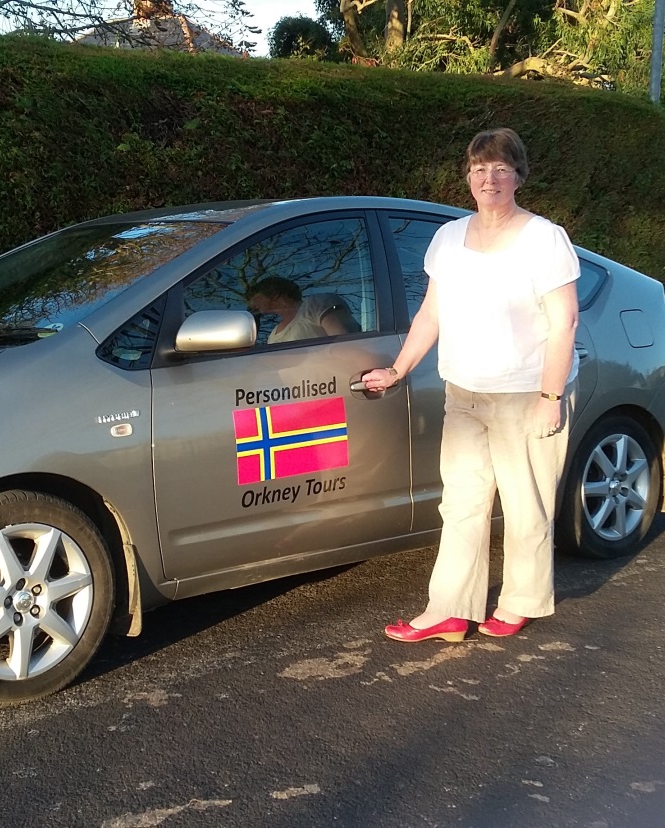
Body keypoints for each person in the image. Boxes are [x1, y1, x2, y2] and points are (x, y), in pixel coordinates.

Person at [363, 127, 580, 643]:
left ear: (519, 177)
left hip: (526, 394)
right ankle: (451, 610)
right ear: (468, 177)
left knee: (526, 505)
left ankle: (522, 599)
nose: (490, 177)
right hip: (463, 392)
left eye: (501, 168)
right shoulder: (448, 239)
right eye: (480, 168)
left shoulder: (543, 238)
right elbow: (431, 314)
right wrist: (398, 370)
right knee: (461, 504)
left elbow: (564, 320)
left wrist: (551, 398)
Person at [246, 276, 358, 344]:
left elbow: (345, 343)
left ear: (274, 293)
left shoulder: (317, 304)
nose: (252, 305)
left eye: (255, 298)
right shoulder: (273, 335)